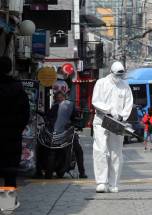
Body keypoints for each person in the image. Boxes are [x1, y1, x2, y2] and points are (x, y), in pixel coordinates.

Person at [92, 61, 133, 193]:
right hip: (102, 119)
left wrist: (122, 116)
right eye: (117, 74)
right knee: (100, 150)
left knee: (116, 152)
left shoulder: (125, 86)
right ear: (111, 72)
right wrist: (109, 109)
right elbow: (95, 101)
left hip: (117, 122)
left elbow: (128, 104)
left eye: (121, 75)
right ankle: (101, 182)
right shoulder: (101, 83)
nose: (119, 77)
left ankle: (113, 183)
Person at [37, 91, 87, 179]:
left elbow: (75, 117)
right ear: (55, 99)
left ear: (64, 98)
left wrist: (75, 122)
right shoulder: (54, 107)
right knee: (39, 144)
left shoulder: (70, 108)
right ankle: (37, 170)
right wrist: (45, 119)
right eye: (58, 98)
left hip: (66, 131)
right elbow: (48, 117)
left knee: (78, 148)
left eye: (61, 97)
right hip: (54, 132)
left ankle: (82, 172)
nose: (60, 99)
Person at [0, 56, 30, 187]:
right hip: (13, 136)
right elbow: (25, 113)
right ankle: (8, 204)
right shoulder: (18, 89)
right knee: (10, 172)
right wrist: (18, 128)